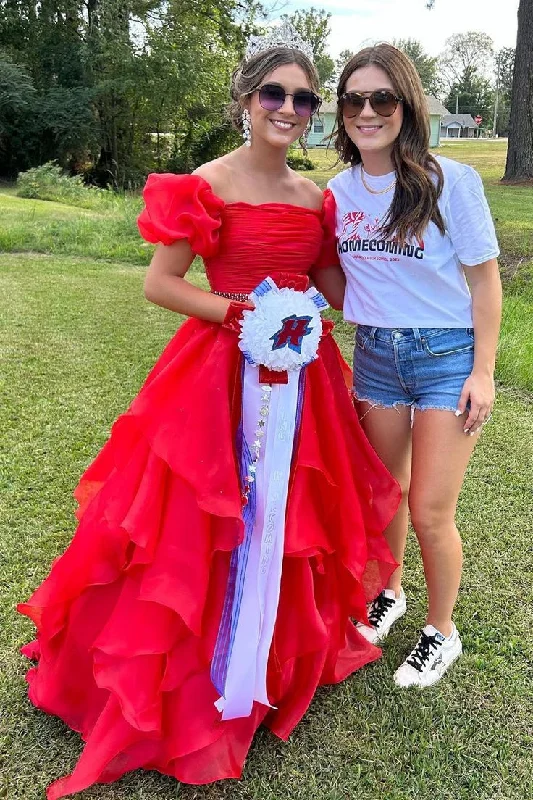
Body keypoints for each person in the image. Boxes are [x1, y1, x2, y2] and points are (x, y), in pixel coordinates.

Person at [17, 25, 400, 799]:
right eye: (274, 93)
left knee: (288, 513)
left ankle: (268, 652)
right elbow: (162, 284)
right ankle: (196, 668)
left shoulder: (312, 195)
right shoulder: (203, 183)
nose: (288, 108)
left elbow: (333, 284)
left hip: (303, 379)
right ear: (246, 100)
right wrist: (240, 318)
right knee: (204, 514)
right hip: (219, 373)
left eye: (302, 97)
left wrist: (414, 299)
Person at [326, 43, 502, 688]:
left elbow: (485, 283)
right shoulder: (339, 191)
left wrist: (482, 372)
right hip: (374, 356)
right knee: (384, 496)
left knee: (430, 509)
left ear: (406, 105)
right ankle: (390, 593)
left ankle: (441, 631)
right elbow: (338, 276)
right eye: (353, 99)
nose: (367, 111)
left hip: (445, 358)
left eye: (382, 99)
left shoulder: (452, 180)